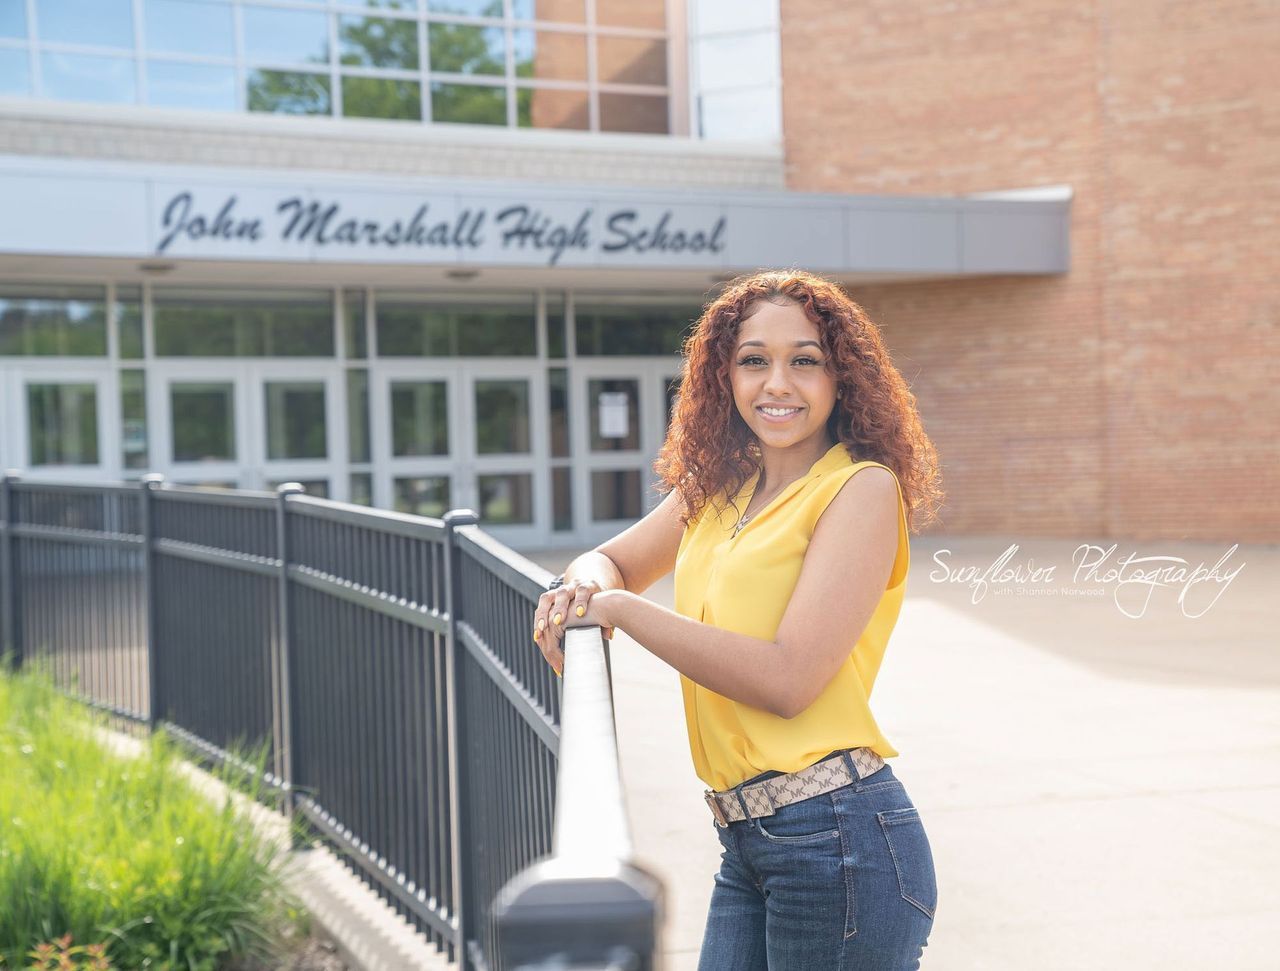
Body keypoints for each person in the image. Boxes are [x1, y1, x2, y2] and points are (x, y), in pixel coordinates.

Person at [532, 269, 945, 970]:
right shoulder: (721, 486)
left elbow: (788, 679)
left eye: (804, 359)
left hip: (839, 840)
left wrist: (622, 612)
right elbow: (611, 562)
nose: (775, 382)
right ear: (725, 374)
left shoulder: (860, 490)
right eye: (753, 359)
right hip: (747, 841)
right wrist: (582, 591)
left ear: (841, 376)